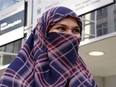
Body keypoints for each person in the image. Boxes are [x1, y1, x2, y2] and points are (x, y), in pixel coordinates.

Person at [0, 6, 97, 87]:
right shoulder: (15, 78)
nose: (70, 35)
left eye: (75, 30)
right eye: (61, 28)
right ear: (43, 34)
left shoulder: (85, 77)